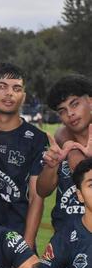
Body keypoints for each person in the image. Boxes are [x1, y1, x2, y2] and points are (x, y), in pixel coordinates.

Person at [0, 63, 48, 248]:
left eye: (16, 88)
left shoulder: (36, 138)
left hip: (17, 237)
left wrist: (27, 244)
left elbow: (37, 197)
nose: (9, 93)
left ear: (23, 97)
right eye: (2, 86)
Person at [37, 75, 92, 232]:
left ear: (90, 101)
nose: (70, 113)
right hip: (64, 239)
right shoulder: (60, 144)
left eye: (75, 104)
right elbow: (42, 190)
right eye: (63, 111)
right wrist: (51, 166)